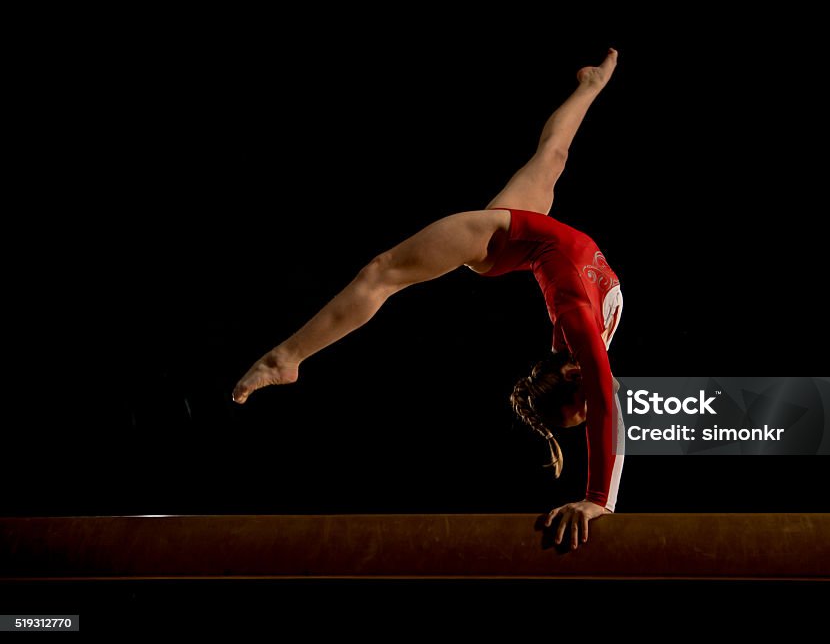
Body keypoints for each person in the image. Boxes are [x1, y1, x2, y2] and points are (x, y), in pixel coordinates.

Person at [233, 49, 624, 550]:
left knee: (385, 271)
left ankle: (285, 358)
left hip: (508, 239)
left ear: (572, 379)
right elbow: (609, 403)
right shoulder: (578, 338)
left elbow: (606, 406)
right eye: (585, 412)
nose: (593, 406)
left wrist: (596, 497)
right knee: (548, 158)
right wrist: (600, 498)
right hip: (519, 238)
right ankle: (589, 86)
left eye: (582, 409)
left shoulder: (575, 332)